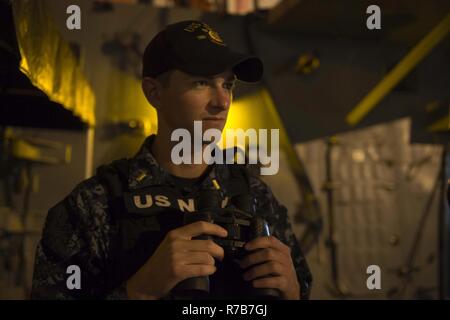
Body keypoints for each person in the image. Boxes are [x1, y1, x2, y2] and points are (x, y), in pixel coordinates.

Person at [31, 20, 312, 300]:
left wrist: (294, 293)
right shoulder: (93, 206)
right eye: (201, 82)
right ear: (154, 92)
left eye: (227, 84)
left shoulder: (258, 198)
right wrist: (138, 291)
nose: (222, 101)